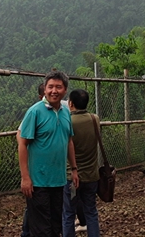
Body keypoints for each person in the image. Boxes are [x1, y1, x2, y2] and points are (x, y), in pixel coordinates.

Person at [18, 70, 79, 237]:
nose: (54, 91)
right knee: (41, 230)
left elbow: (69, 141)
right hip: (38, 183)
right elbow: (22, 144)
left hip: (58, 180)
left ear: (65, 90)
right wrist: (25, 178)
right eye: (50, 87)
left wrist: (74, 169)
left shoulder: (66, 112)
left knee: (55, 227)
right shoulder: (35, 112)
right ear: (44, 89)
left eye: (58, 87)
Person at [62, 89, 101, 237]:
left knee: (68, 213)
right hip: (92, 175)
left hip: (71, 178)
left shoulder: (67, 122)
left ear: (70, 103)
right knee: (91, 211)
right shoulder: (94, 118)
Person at [19, 83, 46, 237]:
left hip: (53, 174)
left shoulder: (62, 110)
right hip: (35, 172)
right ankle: (26, 232)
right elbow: (20, 137)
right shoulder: (35, 112)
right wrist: (25, 175)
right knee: (34, 207)